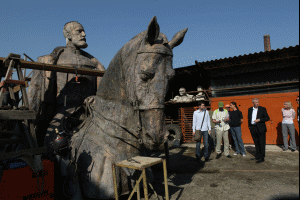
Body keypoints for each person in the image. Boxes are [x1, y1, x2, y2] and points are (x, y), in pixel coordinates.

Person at [28, 21, 105, 147]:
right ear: (68, 35)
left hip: (90, 116)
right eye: (79, 31)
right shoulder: (54, 59)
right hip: (62, 116)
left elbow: (104, 92)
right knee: (52, 146)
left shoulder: (95, 64)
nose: (84, 34)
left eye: (83, 31)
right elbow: (35, 98)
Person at [248, 98, 270, 163]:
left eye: (258, 102)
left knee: (261, 143)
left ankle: (262, 157)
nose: (257, 103)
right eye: (256, 102)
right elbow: (249, 118)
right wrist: (249, 126)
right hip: (253, 128)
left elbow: (267, 118)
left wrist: (259, 120)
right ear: (253, 103)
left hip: (260, 128)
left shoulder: (262, 109)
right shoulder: (250, 109)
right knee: (256, 143)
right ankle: (257, 156)